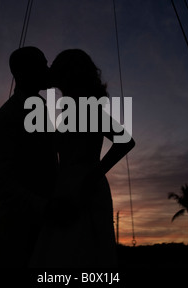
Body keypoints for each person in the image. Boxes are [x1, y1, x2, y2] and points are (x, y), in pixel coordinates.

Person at [30, 49, 135, 267]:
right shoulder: (69, 109)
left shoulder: (89, 109)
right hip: (66, 185)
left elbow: (125, 141)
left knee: (81, 251)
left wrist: (92, 177)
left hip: (87, 187)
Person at [0, 46, 58, 267]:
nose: (48, 70)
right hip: (18, 229)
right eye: (42, 65)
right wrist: (43, 207)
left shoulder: (40, 110)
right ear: (23, 72)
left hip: (43, 224)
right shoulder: (6, 117)